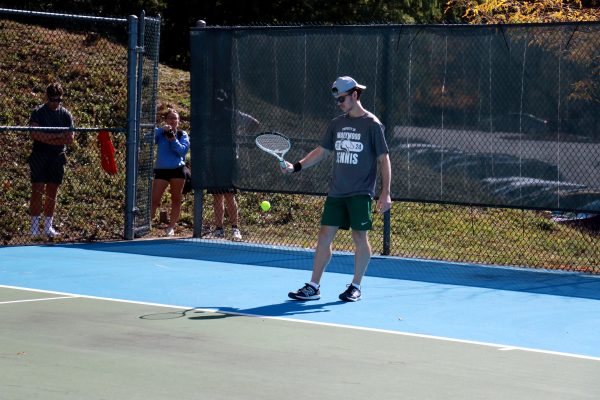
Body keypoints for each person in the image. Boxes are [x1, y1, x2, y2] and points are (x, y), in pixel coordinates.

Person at [282, 76, 392, 302]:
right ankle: (313, 286)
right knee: (324, 236)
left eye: (342, 98)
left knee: (359, 237)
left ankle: (356, 286)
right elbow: (321, 152)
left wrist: (385, 192)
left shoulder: (373, 124)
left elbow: (384, 159)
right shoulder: (336, 124)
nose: (339, 103)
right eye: (337, 99)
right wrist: (297, 166)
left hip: (361, 192)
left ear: (354, 95)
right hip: (337, 192)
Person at [28, 82, 75, 238]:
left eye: (58, 100)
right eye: (52, 99)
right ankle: (34, 228)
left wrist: (47, 137)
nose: (55, 103)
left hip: (57, 157)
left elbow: (69, 139)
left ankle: (48, 227)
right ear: (46, 97)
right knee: (37, 190)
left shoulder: (66, 115)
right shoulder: (38, 112)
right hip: (39, 155)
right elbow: (35, 135)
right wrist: (57, 137)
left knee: (52, 192)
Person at [151, 107, 190, 236]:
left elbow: (182, 151)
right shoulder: (160, 133)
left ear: (179, 121)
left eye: (176, 118)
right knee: (154, 199)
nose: (173, 121)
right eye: (171, 118)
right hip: (162, 170)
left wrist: (173, 140)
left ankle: (171, 227)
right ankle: (147, 224)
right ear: (166, 120)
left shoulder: (182, 134)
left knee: (176, 199)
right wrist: (161, 130)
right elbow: (147, 138)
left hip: (177, 170)